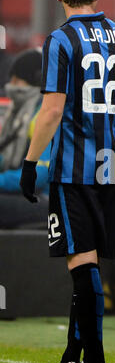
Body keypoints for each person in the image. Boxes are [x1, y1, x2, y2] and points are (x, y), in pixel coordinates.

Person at [20, 0, 115, 363]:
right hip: (111, 166)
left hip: (74, 171)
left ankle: (95, 362)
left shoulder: (60, 40)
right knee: (89, 263)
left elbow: (52, 111)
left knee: (81, 264)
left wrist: (29, 162)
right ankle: (72, 358)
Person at [0, 48, 50, 228]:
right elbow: (7, 157)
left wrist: (1, 180)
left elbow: (39, 176)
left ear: (35, 82)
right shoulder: (21, 115)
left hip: (48, 200)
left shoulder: (46, 118)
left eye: (17, 81)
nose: (10, 87)